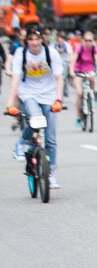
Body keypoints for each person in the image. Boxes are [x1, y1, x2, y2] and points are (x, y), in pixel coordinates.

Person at [5, 28, 64, 188]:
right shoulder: (21, 54)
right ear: (27, 41)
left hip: (49, 95)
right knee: (36, 118)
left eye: (37, 39)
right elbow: (15, 80)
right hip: (28, 94)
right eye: (31, 39)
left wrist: (58, 100)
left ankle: (50, 173)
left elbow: (59, 79)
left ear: (42, 40)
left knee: (51, 138)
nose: (35, 42)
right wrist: (10, 104)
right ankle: (22, 142)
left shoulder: (51, 53)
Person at [67, 31, 97, 127]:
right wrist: (71, 71)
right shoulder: (79, 48)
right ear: (83, 40)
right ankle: (78, 116)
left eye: (90, 40)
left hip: (90, 70)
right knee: (79, 93)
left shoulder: (95, 48)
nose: (88, 42)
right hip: (78, 71)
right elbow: (73, 60)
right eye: (86, 40)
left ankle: (92, 96)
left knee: (92, 79)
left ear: (92, 41)